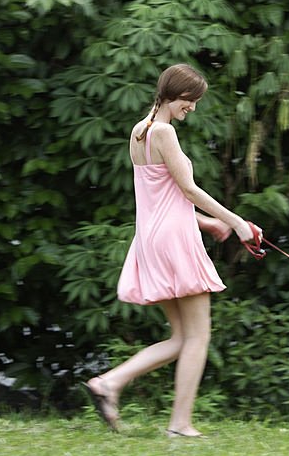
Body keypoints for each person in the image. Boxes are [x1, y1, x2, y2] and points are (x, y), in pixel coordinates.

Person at [82, 63, 260, 437]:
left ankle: (109, 383)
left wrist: (209, 223)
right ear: (172, 94)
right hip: (174, 242)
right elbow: (190, 190)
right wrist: (240, 224)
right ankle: (179, 424)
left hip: (151, 240)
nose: (192, 108)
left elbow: (160, 200)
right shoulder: (165, 132)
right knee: (198, 336)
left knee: (181, 337)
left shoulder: (139, 131)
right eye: (189, 100)